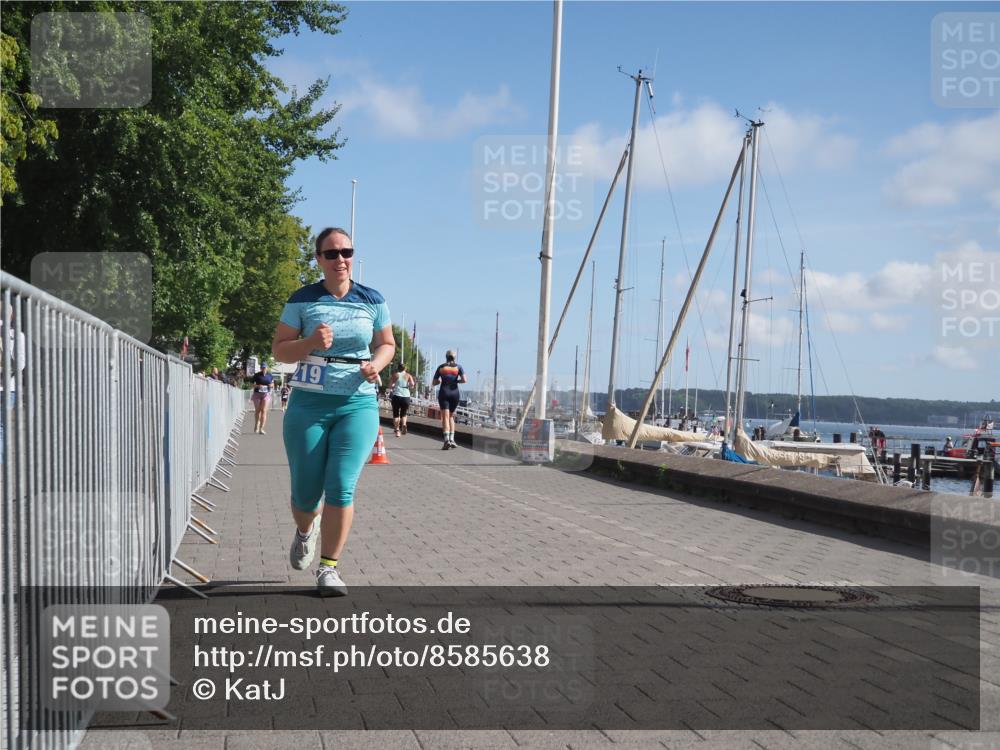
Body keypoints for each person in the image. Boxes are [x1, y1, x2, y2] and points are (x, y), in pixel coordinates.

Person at [271, 227, 394, 597]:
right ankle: (306, 529)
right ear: (319, 259)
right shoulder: (303, 300)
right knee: (306, 493)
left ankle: (329, 569)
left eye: (347, 252)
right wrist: (309, 342)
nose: (340, 259)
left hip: (357, 402)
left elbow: (386, 344)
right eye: (332, 254)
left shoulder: (371, 299)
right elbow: (280, 350)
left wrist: (376, 364)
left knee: (341, 486)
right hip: (309, 403)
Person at [432, 350, 466, 449]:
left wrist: (439, 381)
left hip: (444, 392)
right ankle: (452, 439)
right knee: (451, 417)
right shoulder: (459, 367)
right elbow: (464, 380)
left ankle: (446, 440)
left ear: (446, 357)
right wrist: (456, 381)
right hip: (455, 393)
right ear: (454, 357)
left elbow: (434, 382)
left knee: (445, 417)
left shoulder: (441, 367)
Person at [389, 362, 415, 437]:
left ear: (398, 368)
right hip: (406, 396)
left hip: (397, 395)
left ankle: (397, 430)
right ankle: (403, 424)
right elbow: (412, 385)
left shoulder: (395, 375)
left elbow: (390, 386)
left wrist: (394, 385)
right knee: (404, 413)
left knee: (396, 414)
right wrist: (409, 385)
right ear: (405, 368)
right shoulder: (408, 375)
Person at [250, 363, 274, 434]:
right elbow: (251, 384)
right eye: (262, 368)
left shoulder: (270, 375)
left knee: (264, 410)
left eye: (264, 368)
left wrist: (271, 385)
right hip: (257, 394)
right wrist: (257, 386)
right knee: (258, 410)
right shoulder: (257, 375)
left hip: (266, 394)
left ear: (267, 368)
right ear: (260, 368)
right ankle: (256, 424)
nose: (263, 369)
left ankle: (261, 428)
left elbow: (273, 384)